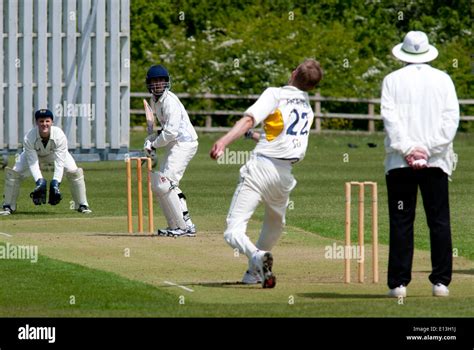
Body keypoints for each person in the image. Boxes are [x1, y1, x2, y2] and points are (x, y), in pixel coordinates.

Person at [210, 59, 323, 288]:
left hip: (261, 167)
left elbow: (250, 119)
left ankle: (256, 256)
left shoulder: (275, 94)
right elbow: (278, 136)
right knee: (274, 225)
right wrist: (253, 136)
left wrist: (224, 141)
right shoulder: (307, 106)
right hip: (284, 175)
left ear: (293, 73)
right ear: (311, 87)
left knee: (233, 230)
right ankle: (254, 273)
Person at [381, 31, 459, 297]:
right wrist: (426, 150)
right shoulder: (444, 79)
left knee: (402, 220)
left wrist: (409, 150)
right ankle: (441, 283)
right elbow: (451, 122)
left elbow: (390, 120)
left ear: (402, 53)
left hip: (400, 163)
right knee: (438, 221)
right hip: (435, 162)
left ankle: (399, 284)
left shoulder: (391, 80)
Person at [0, 109, 92, 215]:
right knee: (13, 174)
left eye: (47, 121)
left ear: (52, 122)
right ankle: (8, 206)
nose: (44, 124)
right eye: (41, 121)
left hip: (54, 155)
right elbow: (33, 162)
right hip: (34, 156)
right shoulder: (29, 137)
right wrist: (40, 182)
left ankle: (82, 205)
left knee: (75, 172)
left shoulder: (59, 136)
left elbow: (59, 162)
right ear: (37, 122)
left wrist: (55, 183)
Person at [143, 64, 198, 237]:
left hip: (184, 143)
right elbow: (166, 130)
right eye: (154, 81)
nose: (158, 84)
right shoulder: (155, 101)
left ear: (166, 83)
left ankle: (183, 227)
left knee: (166, 182)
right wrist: (152, 137)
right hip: (175, 143)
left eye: (161, 81)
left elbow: (171, 132)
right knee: (160, 185)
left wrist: (153, 144)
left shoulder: (170, 102)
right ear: (149, 84)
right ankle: (178, 224)